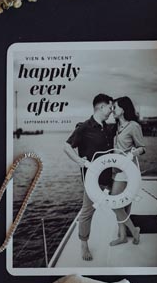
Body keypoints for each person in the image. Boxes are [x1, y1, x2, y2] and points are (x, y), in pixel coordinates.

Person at [63, 94, 115, 262]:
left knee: (121, 204)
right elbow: (66, 146)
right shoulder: (84, 128)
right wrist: (80, 161)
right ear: (101, 107)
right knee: (88, 211)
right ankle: (84, 244)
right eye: (110, 107)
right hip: (92, 180)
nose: (111, 111)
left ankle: (127, 231)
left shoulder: (108, 128)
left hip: (110, 177)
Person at [109, 96, 146, 247]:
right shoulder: (116, 127)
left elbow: (142, 148)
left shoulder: (133, 126)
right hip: (116, 170)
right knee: (123, 206)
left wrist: (132, 153)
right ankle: (123, 236)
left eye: (115, 107)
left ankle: (134, 230)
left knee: (114, 203)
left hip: (127, 171)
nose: (112, 110)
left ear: (123, 109)